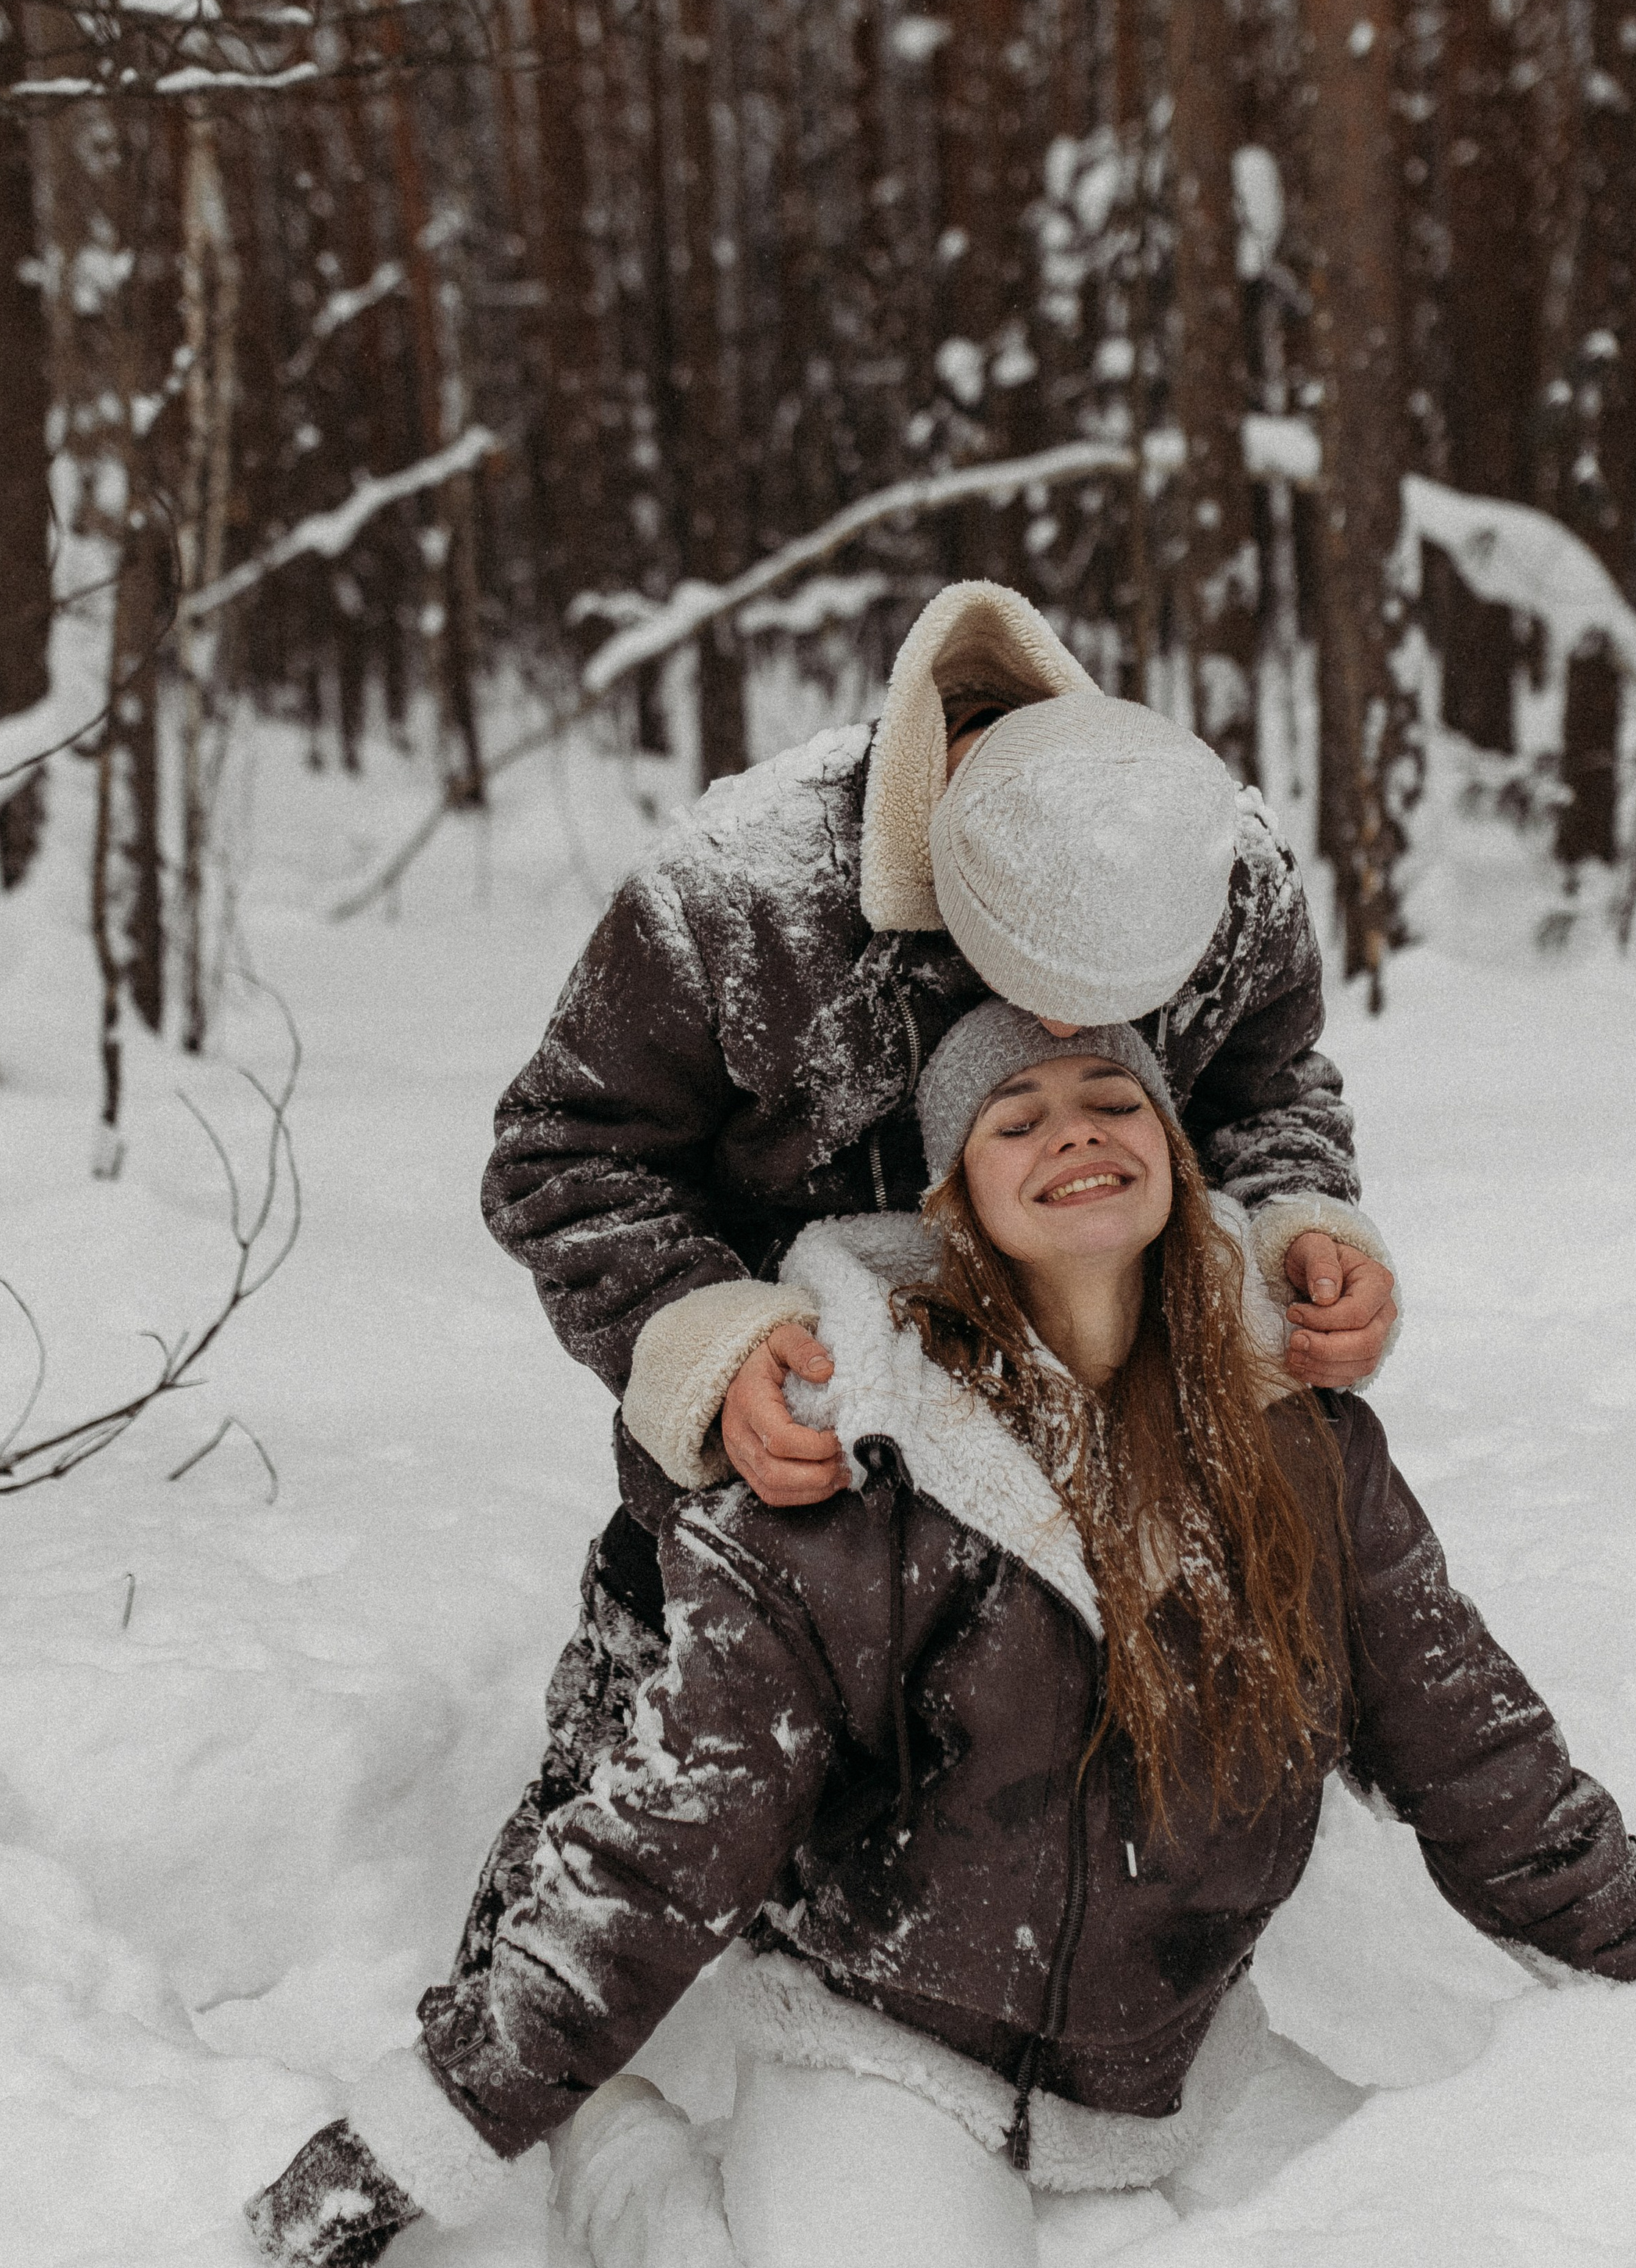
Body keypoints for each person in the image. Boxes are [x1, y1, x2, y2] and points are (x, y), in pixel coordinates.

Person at [248, 1004, 1636, 2268]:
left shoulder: (1303, 1448)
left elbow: (1479, 1768)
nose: (1075, 1134)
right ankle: (632, 2173)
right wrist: (421, 2136)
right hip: (889, 2051)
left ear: (1177, 1158)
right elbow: (661, 1853)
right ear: (954, 1197)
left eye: (1113, 1102)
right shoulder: (839, 1478)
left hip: (1189, 2058)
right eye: (1015, 1116)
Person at [484, 577, 1399, 1814]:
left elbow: (1268, 1083)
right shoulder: (734, 901)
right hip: (783, 1483)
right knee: (634, 1827)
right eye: (1044, 975)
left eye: (1125, 1004)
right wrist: (703, 1342)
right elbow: (563, 1155)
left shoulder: (1216, 863)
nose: (1074, 1026)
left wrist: (1296, 1221)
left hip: (1081, 1485)